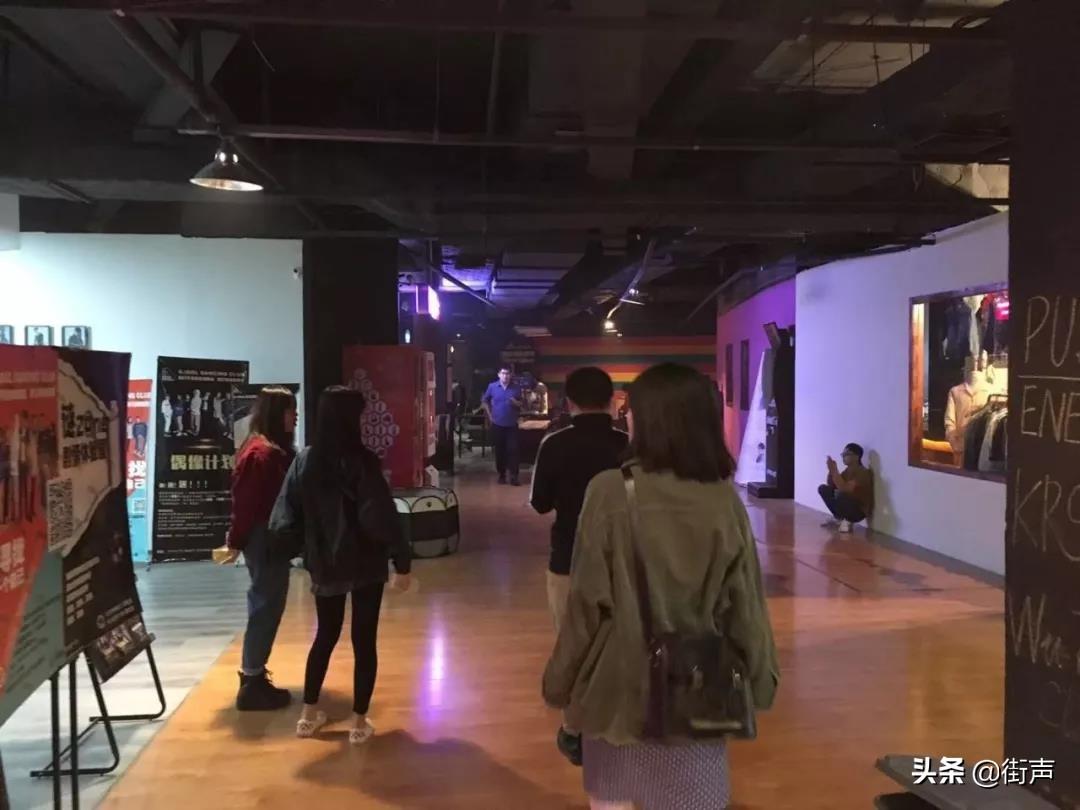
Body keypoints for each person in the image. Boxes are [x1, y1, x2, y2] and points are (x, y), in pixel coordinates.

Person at [543, 363, 779, 810]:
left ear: (651, 420)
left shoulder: (609, 492)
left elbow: (586, 606)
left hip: (619, 691)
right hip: (697, 689)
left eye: (632, 410)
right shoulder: (723, 500)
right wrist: (760, 678)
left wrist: (560, 683)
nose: (626, 417)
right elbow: (745, 605)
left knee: (614, 799)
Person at [269, 386, 412, 744]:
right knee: (364, 640)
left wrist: (300, 548)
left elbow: (285, 515)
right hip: (366, 562)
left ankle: (308, 715)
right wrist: (401, 559)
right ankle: (359, 723)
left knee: (325, 635)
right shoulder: (363, 462)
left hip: (325, 561)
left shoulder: (305, 460)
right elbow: (380, 516)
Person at [530, 366, 628, 767]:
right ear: (612, 401)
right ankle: (617, 722)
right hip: (623, 560)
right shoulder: (629, 445)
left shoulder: (554, 444)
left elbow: (540, 503)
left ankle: (575, 731)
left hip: (568, 557)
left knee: (573, 644)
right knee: (619, 641)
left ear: (568, 401)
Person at [221, 387, 298, 711]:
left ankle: (254, 675)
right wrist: (235, 541)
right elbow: (246, 506)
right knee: (265, 606)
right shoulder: (260, 455)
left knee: (269, 604)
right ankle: (251, 680)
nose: (295, 417)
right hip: (263, 540)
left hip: (269, 539)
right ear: (276, 414)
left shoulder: (269, 451)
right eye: (290, 411)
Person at [818, 442, 874, 534]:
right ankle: (839, 518)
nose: (843, 457)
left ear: (856, 457)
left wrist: (834, 470)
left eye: (847, 454)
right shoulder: (846, 472)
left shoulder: (863, 472)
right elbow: (832, 485)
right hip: (848, 504)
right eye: (843, 454)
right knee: (823, 489)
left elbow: (844, 488)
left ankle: (848, 521)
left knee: (841, 494)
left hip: (858, 511)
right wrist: (831, 471)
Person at [481, 367, 523, 486]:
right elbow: (484, 401)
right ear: (499, 374)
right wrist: (490, 415)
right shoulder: (492, 387)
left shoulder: (516, 388)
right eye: (503, 373)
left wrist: (516, 403)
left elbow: (521, 403)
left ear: (511, 375)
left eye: (508, 373)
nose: (505, 376)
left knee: (513, 450)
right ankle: (502, 475)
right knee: (500, 450)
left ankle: (514, 476)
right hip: (497, 424)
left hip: (512, 424)